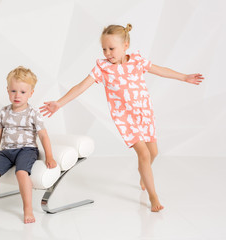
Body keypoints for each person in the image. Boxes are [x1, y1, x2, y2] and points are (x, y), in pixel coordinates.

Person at [40, 24, 203, 212]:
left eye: (111, 48)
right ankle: (153, 196)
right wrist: (58, 103)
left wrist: (184, 77)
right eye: (104, 49)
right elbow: (80, 86)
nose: (107, 53)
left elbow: (161, 70)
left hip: (144, 113)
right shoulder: (103, 68)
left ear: (125, 46)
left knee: (153, 152)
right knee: (143, 154)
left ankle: (143, 172)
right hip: (124, 118)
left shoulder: (137, 61)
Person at [0, 66, 57, 224]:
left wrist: (49, 156)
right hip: (6, 152)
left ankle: (28, 209)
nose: (17, 96)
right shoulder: (3, 112)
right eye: (13, 91)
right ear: (8, 90)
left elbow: (43, 135)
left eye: (23, 92)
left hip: (27, 150)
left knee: (21, 173)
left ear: (30, 93)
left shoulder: (32, 113)